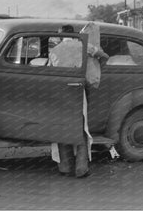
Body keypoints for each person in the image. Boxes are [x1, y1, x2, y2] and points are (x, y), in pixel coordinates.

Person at [49, 23, 108, 178]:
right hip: (78, 90)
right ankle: (81, 168)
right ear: (73, 34)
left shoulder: (55, 50)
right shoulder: (84, 46)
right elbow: (103, 55)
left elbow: (49, 71)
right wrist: (97, 65)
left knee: (62, 128)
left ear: (61, 34)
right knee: (81, 128)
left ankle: (65, 167)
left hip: (59, 92)